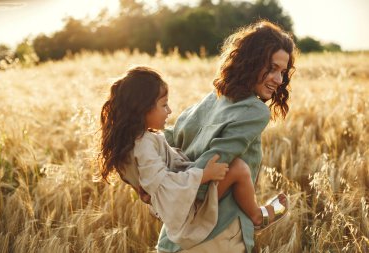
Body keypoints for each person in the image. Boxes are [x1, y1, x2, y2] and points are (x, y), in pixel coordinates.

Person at [99, 65, 287, 250]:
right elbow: (163, 184)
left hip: (173, 206)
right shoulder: (144, 145)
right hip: (183, 208)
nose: (170, 111)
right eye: (164, 105)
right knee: (238, 168)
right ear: (141, 109)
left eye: (283, 72)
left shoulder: (133, 142)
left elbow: (153, 173)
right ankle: (257, 216)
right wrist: (204, 175)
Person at [157, 20, 297, 253]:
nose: (279, 80)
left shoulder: (213, 98)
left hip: (175, 236)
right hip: (216, 236)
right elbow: (216, 161)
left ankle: (259, 214)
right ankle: (259, 215)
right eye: (271, 68)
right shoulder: (255, 109)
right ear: (251, 62)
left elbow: (171, 142)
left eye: (282, 72)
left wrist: (160, 191)